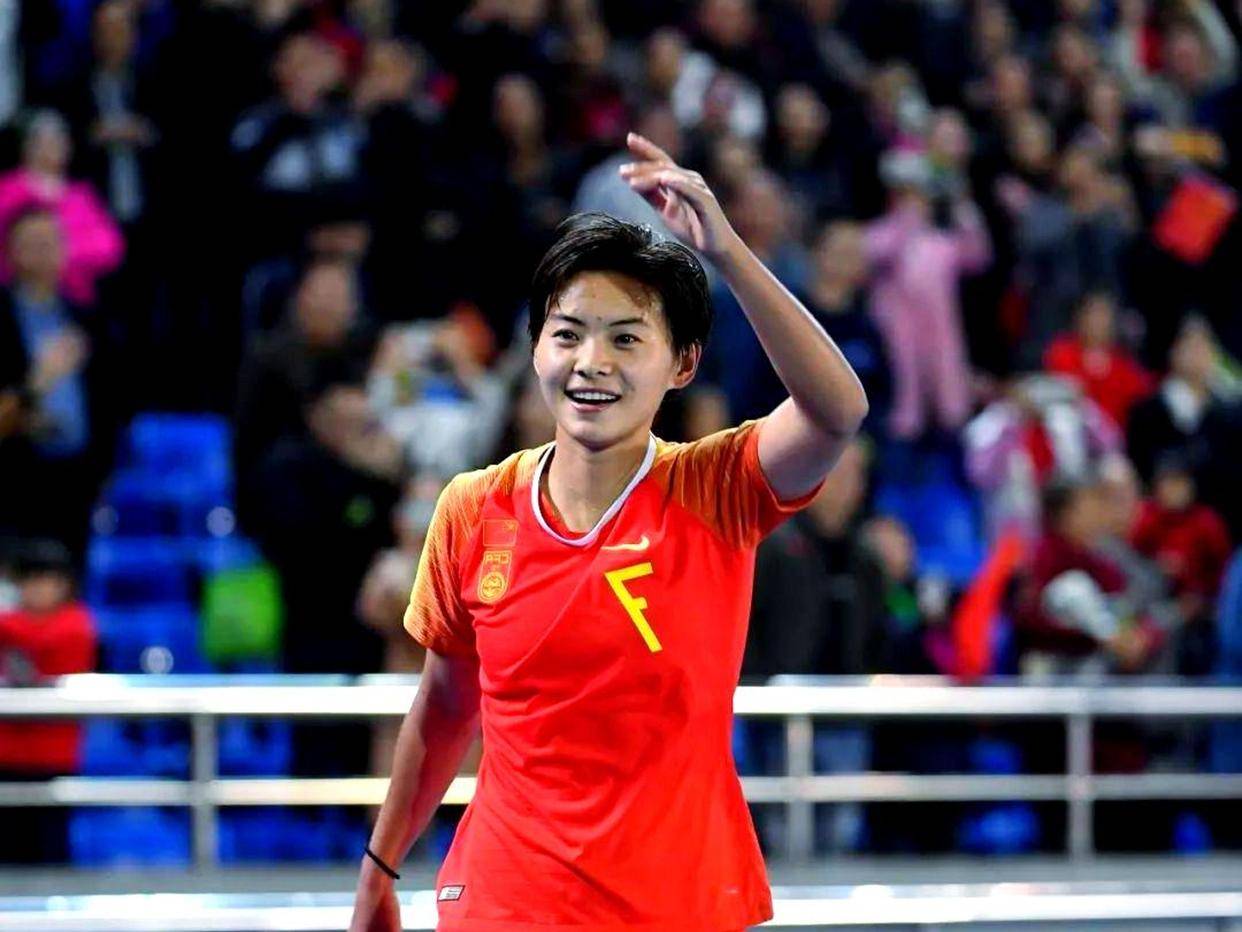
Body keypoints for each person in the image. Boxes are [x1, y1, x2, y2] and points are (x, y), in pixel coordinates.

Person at [349, 131, 868, 931]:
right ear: (536, 351)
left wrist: (728, 254)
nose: (592, 361)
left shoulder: (715, 488)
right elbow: (445, 704)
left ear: (683, 364)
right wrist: (380, 866)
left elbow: (836, 411)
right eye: (568, 334)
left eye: (627, 338)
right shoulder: (473, 508)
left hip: (679, 902)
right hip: (504, 901)